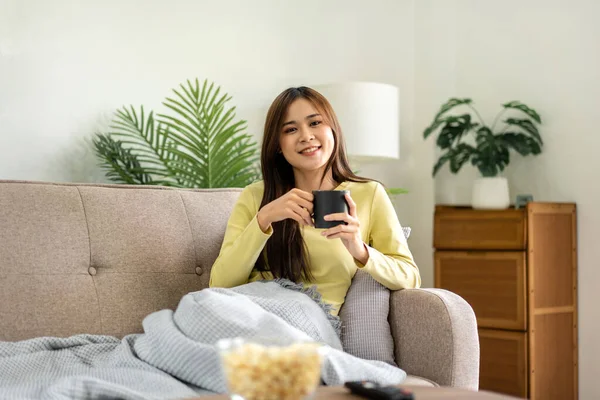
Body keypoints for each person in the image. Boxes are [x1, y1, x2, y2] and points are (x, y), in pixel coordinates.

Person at [209, 86, 421, 316]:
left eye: (315, 123)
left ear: (333, 130)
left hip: (311, 322)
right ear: (278, 146)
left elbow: (409, 276)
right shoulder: (255, 196)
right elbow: (219, 284)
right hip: (248, 311)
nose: (306, 136)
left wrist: (360, 250)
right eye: (291, 129)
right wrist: (263, 220)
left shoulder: (368, 194)